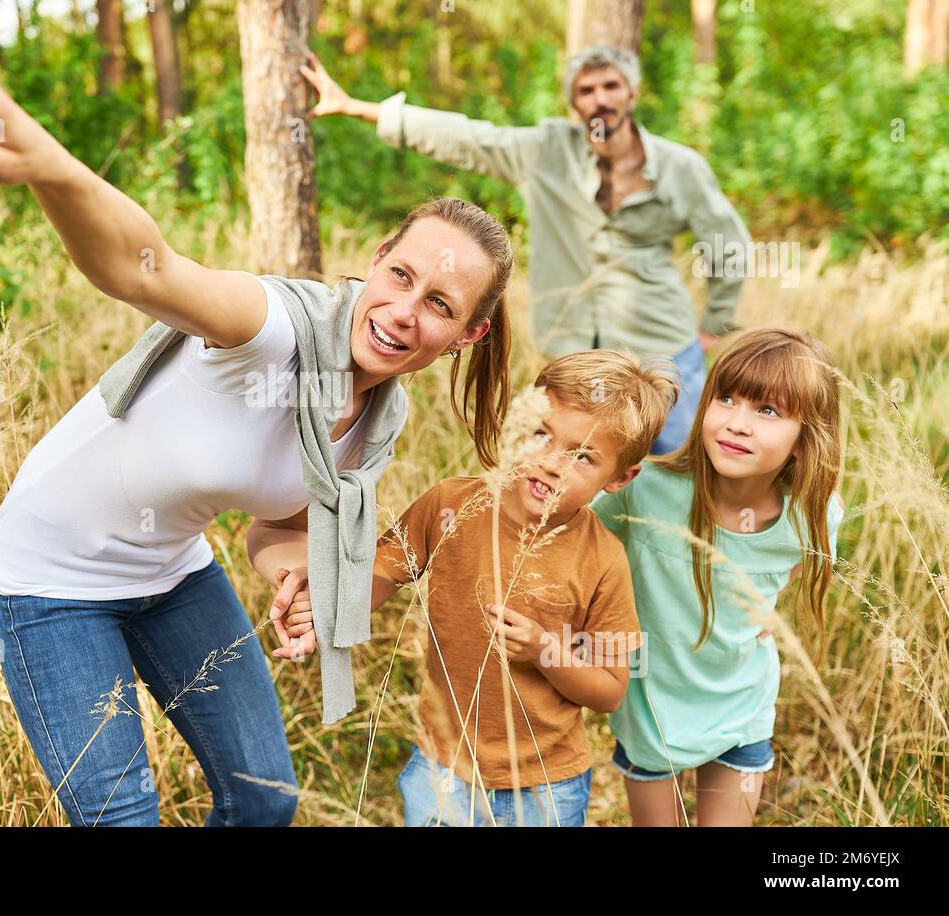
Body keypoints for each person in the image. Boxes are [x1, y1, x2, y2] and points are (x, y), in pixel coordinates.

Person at [0, 26, 514, 826]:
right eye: (401, 275)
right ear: (378, 253)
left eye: (440, 305)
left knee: (265, 801)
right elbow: (138, 263)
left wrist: (290, 571)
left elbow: (279, 518)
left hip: (171, 573)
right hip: (52, 579)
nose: (403, 311)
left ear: (469, 335)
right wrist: (49, 163)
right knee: (122, 817)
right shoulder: (273, 330)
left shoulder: (381, 414)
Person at [272, 350, 678, 826]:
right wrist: (325, 611)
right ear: (519, 420)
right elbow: (381, 574)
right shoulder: (452, 505)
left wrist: (544, 650)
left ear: (621, 478)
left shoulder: (604, 559)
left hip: (548, 783)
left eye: (584, 456)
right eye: (542, 434)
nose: (551, 464)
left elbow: (610, 691)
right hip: (444, 767)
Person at [302, 43, 753, 453]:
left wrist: (715, 323)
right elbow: (470, 139)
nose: (600, 98)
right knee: (582, 466)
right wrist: (360, 109)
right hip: (574, 349)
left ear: (631, 94)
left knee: (674, 465)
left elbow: (727, 241)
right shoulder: (546, 150)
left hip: (662, 346)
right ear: (574, 102)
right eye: (586, 89)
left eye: (611, 86)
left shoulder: (680, 167)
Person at [589, 328, 845, 826]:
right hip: (652, 709)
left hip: (741, 707)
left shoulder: (812, 516)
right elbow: (577, 543)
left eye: (767, 411)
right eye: (725, 399)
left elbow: (791, 568)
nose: (737, 424)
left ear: (803, 441)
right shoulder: (648, 490)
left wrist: (757, 610)